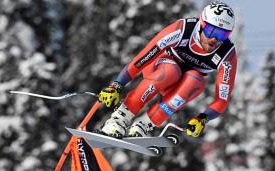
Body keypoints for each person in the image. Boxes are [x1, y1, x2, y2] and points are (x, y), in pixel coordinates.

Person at [98, 1, 237, 138]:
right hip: (159, 69)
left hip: (181, 87)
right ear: (202, 24)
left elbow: (222, 99)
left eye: (222, 35)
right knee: (171, 71)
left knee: (196, 80)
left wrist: (202, 118)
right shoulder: (182, 30)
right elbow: (142, 58)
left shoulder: (226, 55)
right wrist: (117, 85)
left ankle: (144, 124)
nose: (214, 39)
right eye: (211, 31)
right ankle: (119, 118)